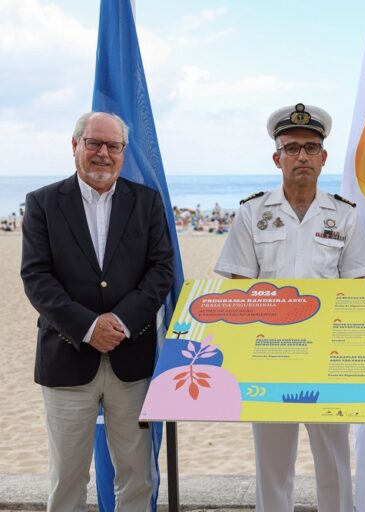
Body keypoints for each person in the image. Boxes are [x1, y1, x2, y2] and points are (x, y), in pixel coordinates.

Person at [214, 103, 365, 512]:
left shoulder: (344, 215)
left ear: (323, 158)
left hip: (328, 358)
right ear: (277, 158)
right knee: (272, 469)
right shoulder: (252, 214)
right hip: (270, 358)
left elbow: (357, 290)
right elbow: (238, 290)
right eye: (291, 148)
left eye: (310, 148)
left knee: (336, 466)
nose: (301, 156)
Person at [20, 111, 175, 511]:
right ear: (75, 145)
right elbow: (37, 278)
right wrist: (88, 327)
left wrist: (120, 322)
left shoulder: (147, 202)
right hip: (67, 359)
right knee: (67, 480)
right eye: (94, 143)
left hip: (132, 359)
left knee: (137, 476)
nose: (103, 153)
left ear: (123, 152)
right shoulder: (42, 203)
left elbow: (161, 271)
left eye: (113, 146)